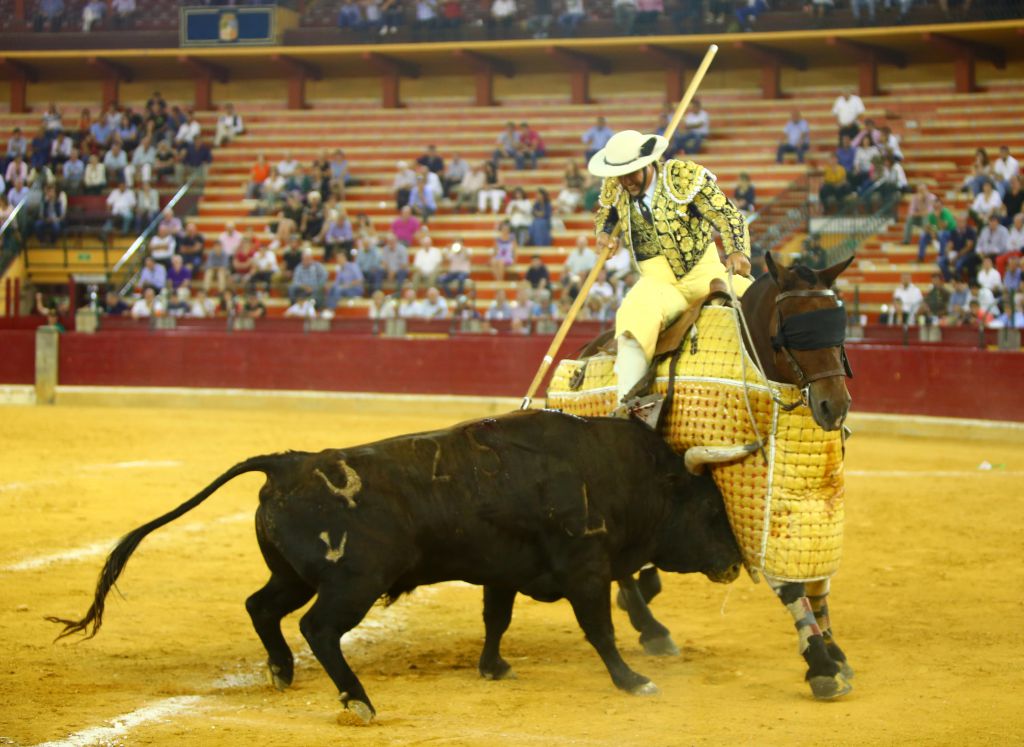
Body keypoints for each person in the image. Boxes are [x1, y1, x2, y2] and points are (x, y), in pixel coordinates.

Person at [589, 128, 752, 419]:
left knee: (755, 301)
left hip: (705, 273)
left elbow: (727, 215)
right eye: (621, 175)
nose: (627, 182)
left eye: (633, 173)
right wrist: (603, 234)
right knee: (633, 316)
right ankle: (630, 406)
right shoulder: (616, 186)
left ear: (647, 163)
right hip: (658, 282)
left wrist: (738, 250)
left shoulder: (683, 177)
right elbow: (606, 213)